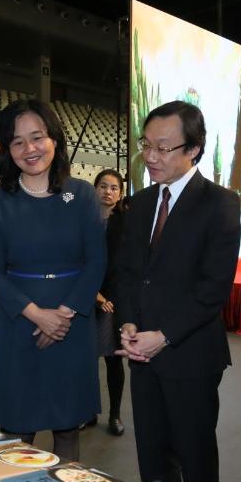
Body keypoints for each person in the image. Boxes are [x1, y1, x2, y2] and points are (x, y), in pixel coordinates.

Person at [114, 100, 241, 482]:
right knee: (152, 459)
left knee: (195, 458)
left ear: (194, 149)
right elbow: (128, 272)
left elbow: (213, 288)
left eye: (163, 148)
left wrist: (164, 336)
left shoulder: (220, 203)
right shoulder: (140, 203)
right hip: (142, 355)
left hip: (190, 355)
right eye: (146, 145)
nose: (151, 156)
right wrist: (128, 322)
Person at [0, 100, 106, 460]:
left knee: (68, 428)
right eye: (17, 141)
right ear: (7, 149)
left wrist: (63, 315)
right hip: (20, 323)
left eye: (37, 137)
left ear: (54, 139)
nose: (29, 149)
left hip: (72, 324)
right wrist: (37, 315)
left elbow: (97, 261)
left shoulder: (81, 193)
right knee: (18, 432)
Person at [93, 168, 128, 436]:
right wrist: (92, 294)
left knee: (113, 358)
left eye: (114, 187)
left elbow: (126, 267)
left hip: (112, 300)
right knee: (84, 361)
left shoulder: (127, 223)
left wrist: (108, 297)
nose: (108, 191)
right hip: (84, 296)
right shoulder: (82, 218)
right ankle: (88, 412)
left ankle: (114, 414)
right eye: (103, 186)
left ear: (121, 193)